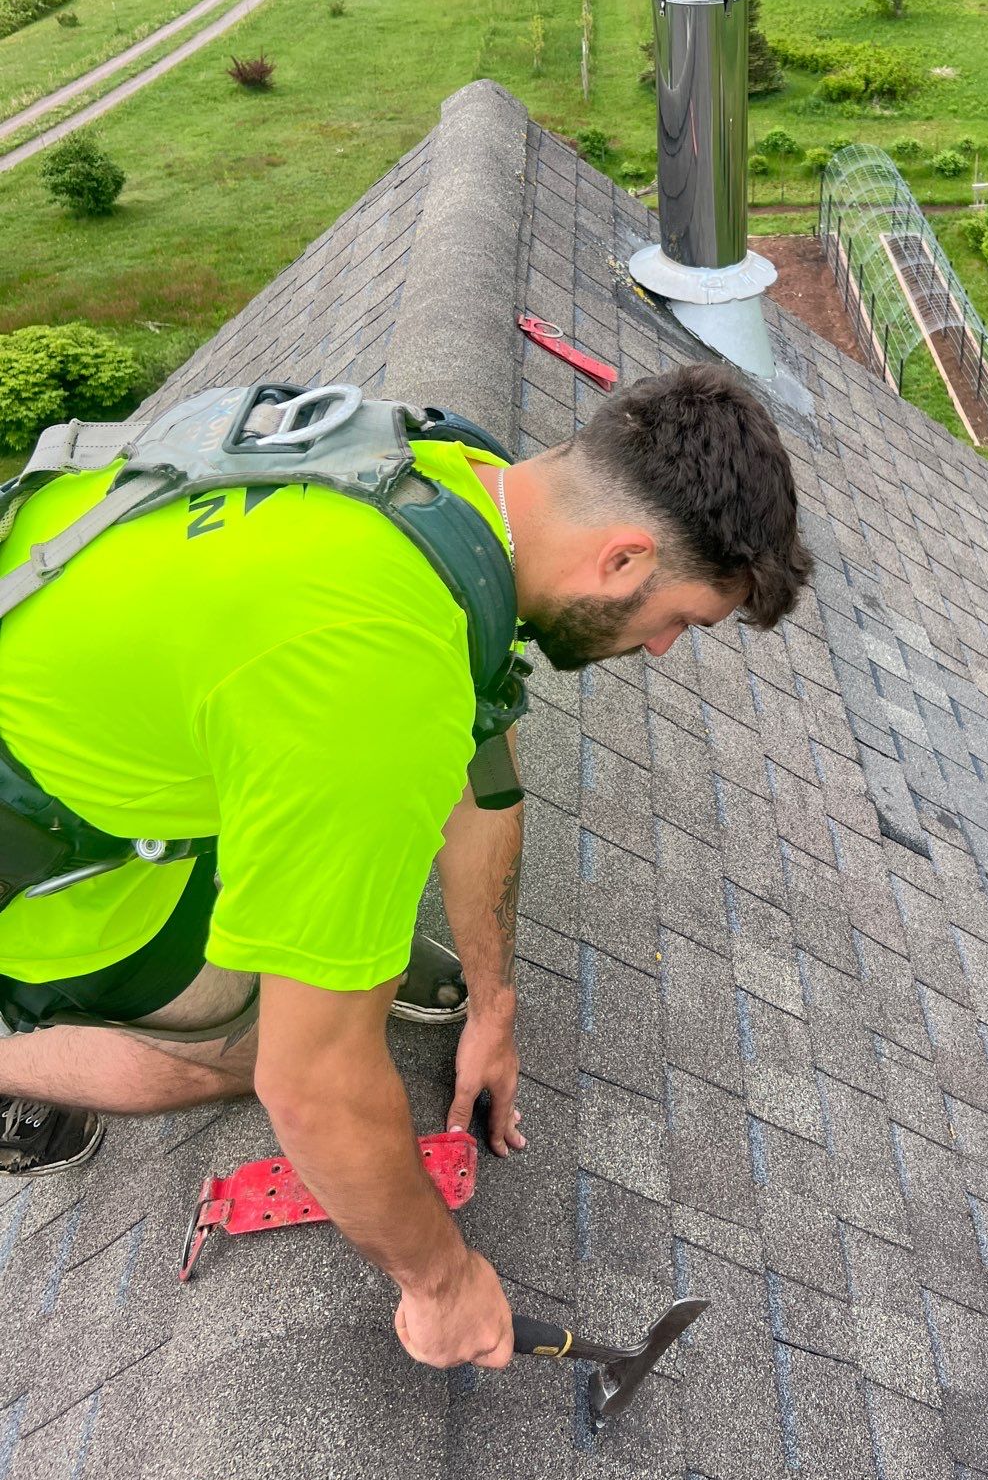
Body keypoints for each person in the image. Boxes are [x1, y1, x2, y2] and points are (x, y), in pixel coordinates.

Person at [0, 363, 811, 1370]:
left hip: (72, 667)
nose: (660, 651)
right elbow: (315, 1084)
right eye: (682, 618)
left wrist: (494, 1005)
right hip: (33, 836)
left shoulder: (445, 473)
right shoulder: (379, 674)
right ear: (622, 558)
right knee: (242, 1046)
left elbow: (480, 782)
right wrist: (444, 1280)